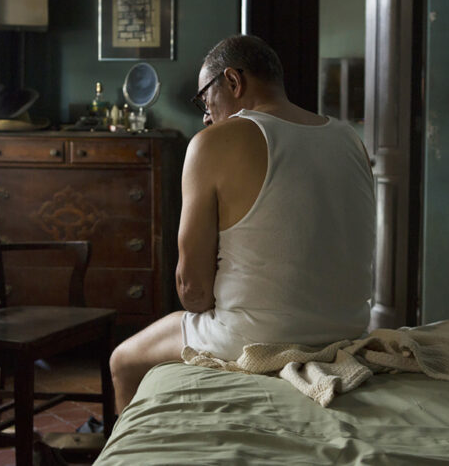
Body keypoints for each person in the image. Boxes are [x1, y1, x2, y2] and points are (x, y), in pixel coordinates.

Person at [109, 35, 375, 412]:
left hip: (256, 337)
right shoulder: (350, 138)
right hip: (348, 332)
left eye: (205, 100)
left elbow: (192, 292)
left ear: (233, 81)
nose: (206, 116)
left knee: (123, 361)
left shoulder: (212, 142)